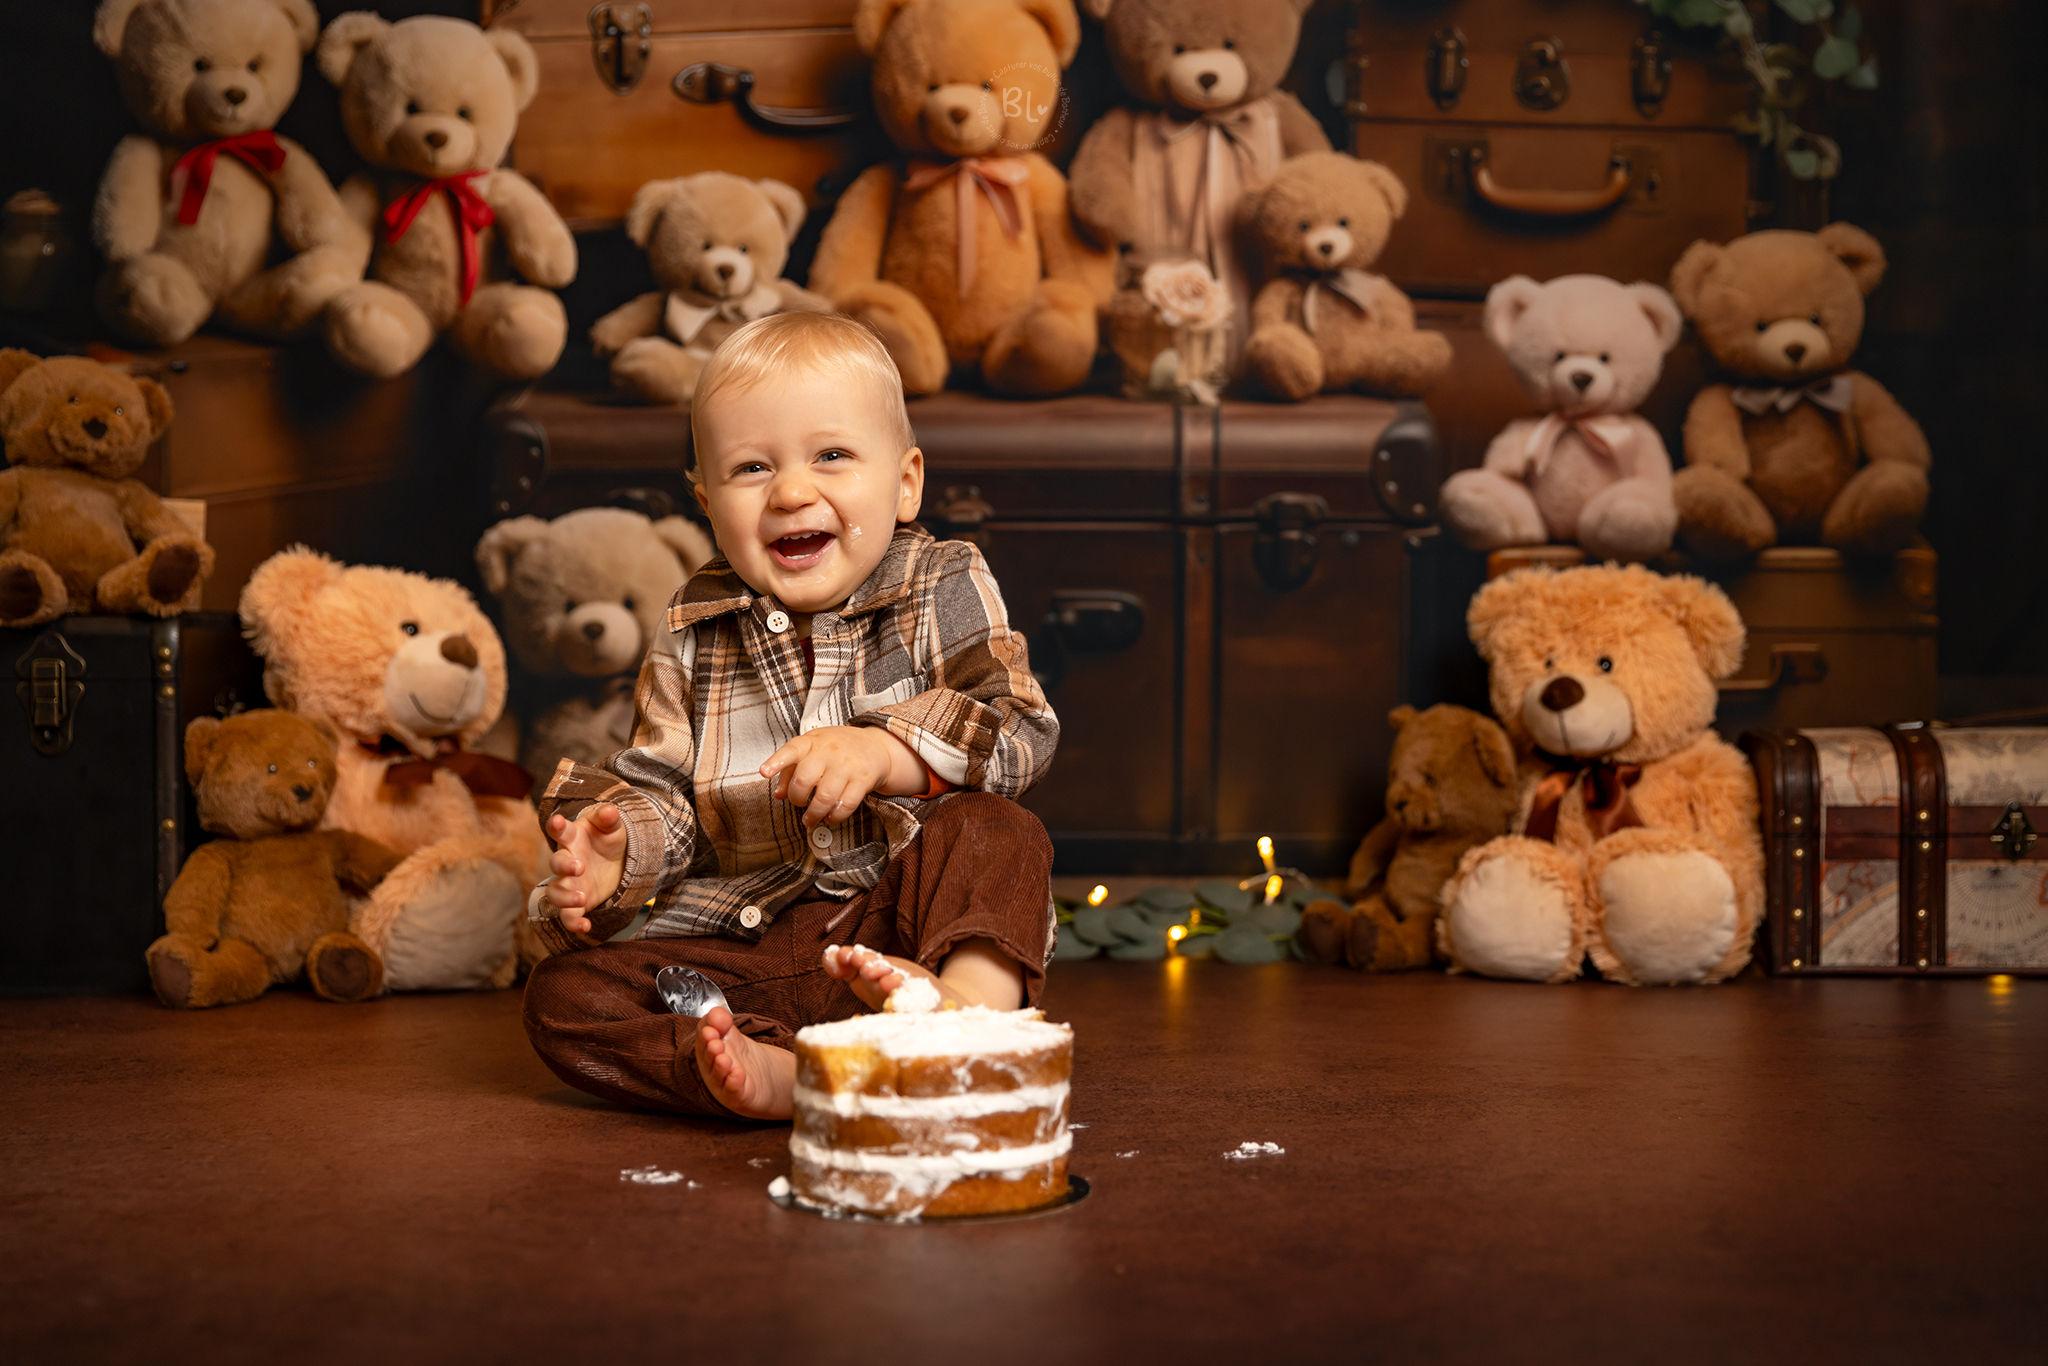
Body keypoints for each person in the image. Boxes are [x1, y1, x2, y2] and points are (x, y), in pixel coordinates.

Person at [521, 310, 1059, 1121]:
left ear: (905, 482)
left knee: (997, 831)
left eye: (832, 455)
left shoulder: (940, 580)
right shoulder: (691, 627)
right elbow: (668, 797)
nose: (793, 492)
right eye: (751, 468)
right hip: (747, 945)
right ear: (707, 503)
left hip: (898, 931)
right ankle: (786, 1071)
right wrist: (622, 851)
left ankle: (963, 1019)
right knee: (563, 996)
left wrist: (886, 753)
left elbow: (1018, 728)